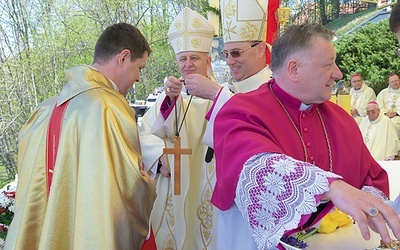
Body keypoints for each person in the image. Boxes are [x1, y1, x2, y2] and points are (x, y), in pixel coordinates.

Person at [212, 23, 400, 249]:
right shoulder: (240, 110)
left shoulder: (341, 119)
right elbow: (257, 167)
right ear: (294, 70)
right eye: (328, 64)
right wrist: (331, 187)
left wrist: (374, 205)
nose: (338, 73)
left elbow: (369, 178)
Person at [5, 23, 157, 250]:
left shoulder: (44, 109)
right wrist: (149, 187)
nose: (138, 79)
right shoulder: (110, 107)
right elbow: (129, 190)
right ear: (124, 58)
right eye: (140, 68)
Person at [139, 7, 218, 249]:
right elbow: (144, 132)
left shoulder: (222, 96)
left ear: (208, 60)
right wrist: (161, 156)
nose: (188, 65)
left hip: (207, 189)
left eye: (194, 58)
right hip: (173, 184)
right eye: (183, 59)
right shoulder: (171, 95)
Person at [183, 0, 274, 149]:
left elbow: (259, 128)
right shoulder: (229, 88)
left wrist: (217, 94)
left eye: (236, 53)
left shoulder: (276, 88)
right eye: (226, 54)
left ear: (260, 50)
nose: (229, 61)